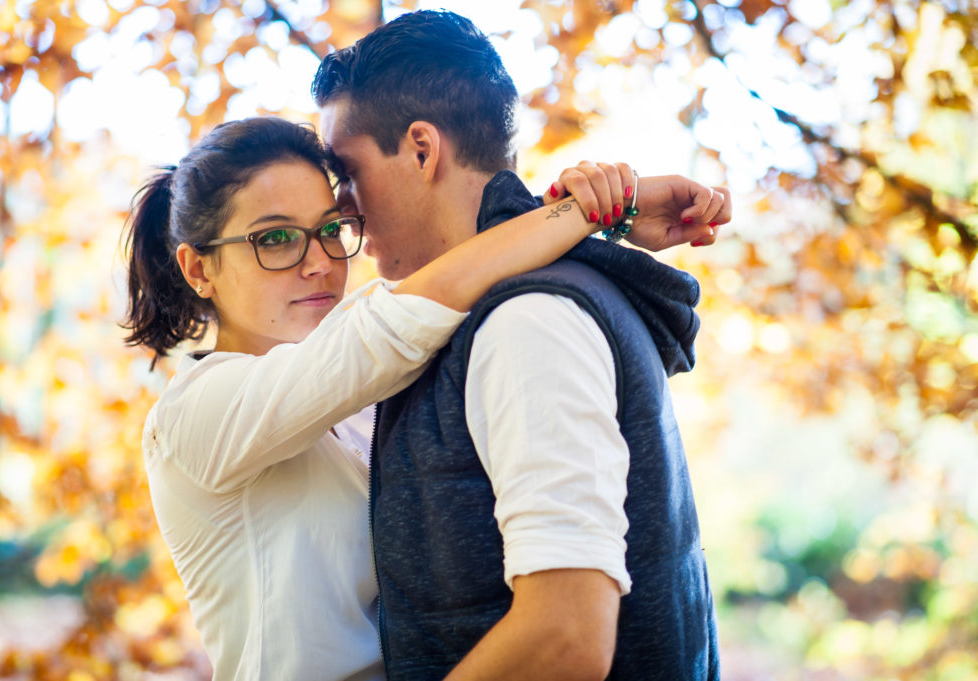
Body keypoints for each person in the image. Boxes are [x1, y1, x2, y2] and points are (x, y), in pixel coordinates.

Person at [122, 115, 669, 681]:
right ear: (197, 269)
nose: (319, 262)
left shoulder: (366, 392)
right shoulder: (190, 417)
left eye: (331, 229)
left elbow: (437, 277)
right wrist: (592, 209)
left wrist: (590, 207)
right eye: (276, 238)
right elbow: (402, 314)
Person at [312, 9, 728, 681]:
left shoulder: (525, 321)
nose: (342, 206)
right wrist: (587, 210)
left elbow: (565, 636)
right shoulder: (483, 307)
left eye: (349, 171)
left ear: (422, 149)